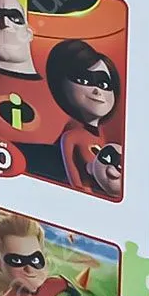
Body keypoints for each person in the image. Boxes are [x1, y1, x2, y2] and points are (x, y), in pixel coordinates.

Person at [45, 39, 122, 194]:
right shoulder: (71, 137)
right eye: (84, 81)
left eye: (104, 85)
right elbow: (74, 181)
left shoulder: (102, 139)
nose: (97, 91)